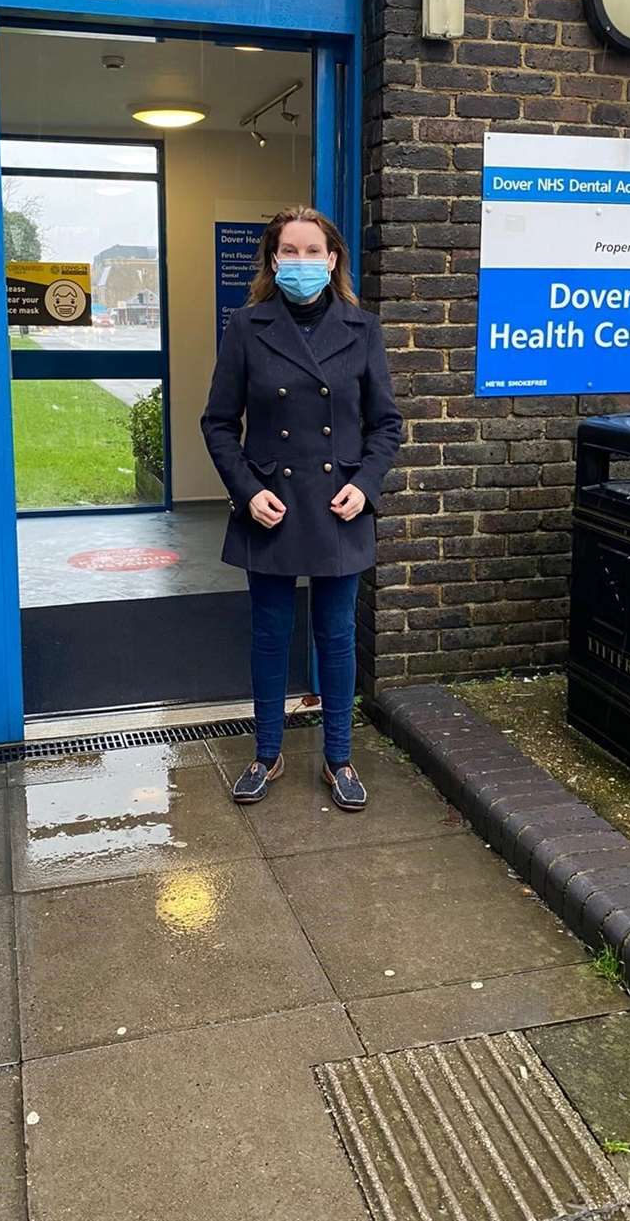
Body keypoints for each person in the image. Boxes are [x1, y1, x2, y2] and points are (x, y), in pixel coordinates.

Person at [201, 206, 402, 810]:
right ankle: (267, 752)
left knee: (337, 636)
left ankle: (339, 758)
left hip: (339, 505)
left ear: (332, 259)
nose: (302, 262)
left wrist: (366, 485)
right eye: (290, 251)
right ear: (273, 259)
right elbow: (217, 422)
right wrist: (246, 490)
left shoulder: (362, 329)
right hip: (273, 504)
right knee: (269, 635)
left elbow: (386, 424)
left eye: (313, 251)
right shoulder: (246, 326)